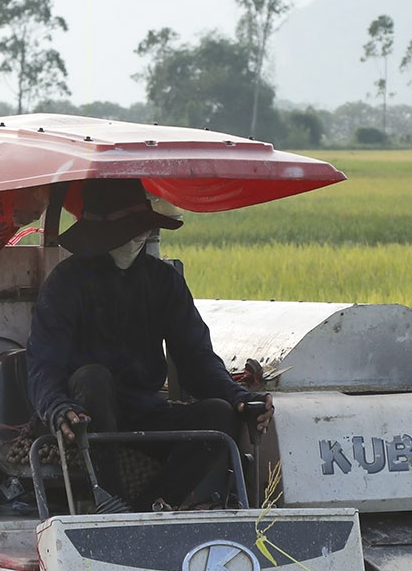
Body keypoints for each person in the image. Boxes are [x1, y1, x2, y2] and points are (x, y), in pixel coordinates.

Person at [26, 177, 269, 510]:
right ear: (101, 235)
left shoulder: (163, 281)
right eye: (129, 230)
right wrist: (58, 408)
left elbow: (196, 360)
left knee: (218, 414)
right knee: (94, 377)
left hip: (143, 412)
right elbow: (43, 364)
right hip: (82, 416)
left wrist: (237, 396)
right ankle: (107, 500)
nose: (139, 236)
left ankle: (147, 507)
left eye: (142, 229)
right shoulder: (65, 284)